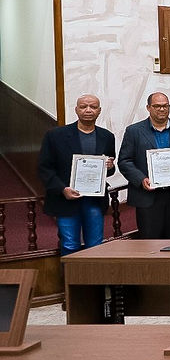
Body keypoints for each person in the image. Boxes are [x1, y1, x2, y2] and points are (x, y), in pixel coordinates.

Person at [38, 94, 116, 255]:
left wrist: (109, 167)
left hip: (94, 201)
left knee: (95, 245)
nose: (88, 110)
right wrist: (62, 189)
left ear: (99, 111)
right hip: (66, 199)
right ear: (76, 110)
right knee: (69, 245)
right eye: (83, 106)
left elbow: (109, 169)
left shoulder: (107, 137)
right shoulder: (55, 136)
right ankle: (70, 280)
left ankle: (94, 280)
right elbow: (44, 168)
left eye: (93, 107)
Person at [117, 92, 170, 240]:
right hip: (147, 196)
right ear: (148, 107)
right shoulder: (134, 131)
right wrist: (141, 179)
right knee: (149, 241)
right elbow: (125, 161)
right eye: (157, 106)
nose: (162, 109)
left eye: (165, 106)